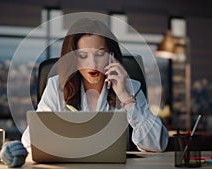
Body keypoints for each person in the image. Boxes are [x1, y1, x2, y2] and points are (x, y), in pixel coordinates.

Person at [21, 18, 168, 152]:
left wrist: (125, 97)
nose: (93, 64)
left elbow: (156, 144)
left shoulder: (130, 87)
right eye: (83, 56)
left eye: (100, 54)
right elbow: (29, 140)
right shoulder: (57, 86)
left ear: (112, 56)